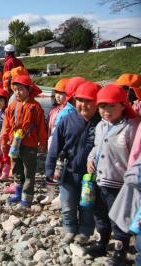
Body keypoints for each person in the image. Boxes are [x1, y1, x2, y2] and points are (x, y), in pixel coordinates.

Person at [85, 84, 140, 264]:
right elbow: (96, 147)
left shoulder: (131, 127)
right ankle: (101, 242)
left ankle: (120, 250)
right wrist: (90, 158)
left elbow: (136, 155)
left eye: (111, 106)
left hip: (119, 182)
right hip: (100, 179)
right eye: (102, 106)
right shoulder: (101, 125)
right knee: (99, 213)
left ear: (123, 105)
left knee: (118, 217)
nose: (105, 111)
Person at [45, 81, 101, 244]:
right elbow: (55, 147)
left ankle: (85, 231)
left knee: (87, 205)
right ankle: (69, 229)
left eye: (89, 101)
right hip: (67, 171)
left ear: (97, 102)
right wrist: (50, 169)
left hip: (90, 176)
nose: (84, 105)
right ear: (74, 101)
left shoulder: (101, 123)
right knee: (68, 204)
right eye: (80, 100)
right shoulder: (67, 120)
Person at [1, 75, 47, 208]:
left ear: (28, 90)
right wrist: (4, 141)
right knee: (16, 169)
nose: (17, 92)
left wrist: (43, 142)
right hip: (14, 143)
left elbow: (41, 127)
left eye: (20, 89)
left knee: (29, 171)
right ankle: (18, 192)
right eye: (15, 89)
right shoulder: (12, 105)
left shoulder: (35, 106)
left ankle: (27, 198)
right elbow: (6, 125)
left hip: (30, 144)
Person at [41, 78, 69, 205]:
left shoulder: (69, 111)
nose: (58, 96)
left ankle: (60, 193)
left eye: (61, 93)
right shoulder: (53, 110)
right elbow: (48, 126)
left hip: (62, 144)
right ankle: (50, 194)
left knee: (61, 168)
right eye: (56, 93)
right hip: (51, 141)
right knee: (50, 166)